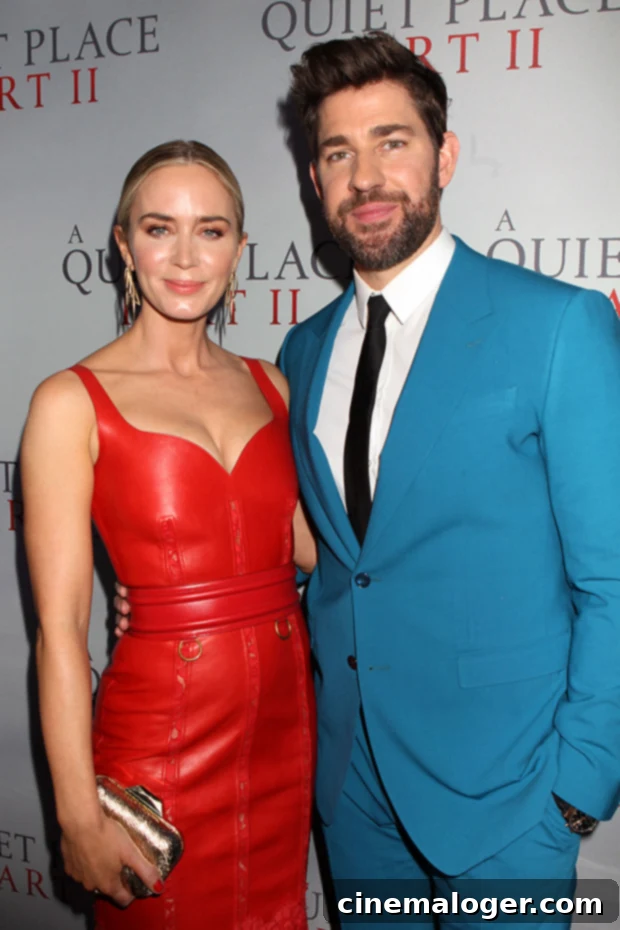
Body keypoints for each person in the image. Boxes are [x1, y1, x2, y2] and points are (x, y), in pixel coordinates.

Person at [113, 35, 620, 927]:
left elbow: (612, 578)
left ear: (444, 156)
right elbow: (320, 551)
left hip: (508, 804)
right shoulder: (299, 355)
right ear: (314, 180)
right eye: (339, 152)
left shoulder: (557, 326)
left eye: (393, 142)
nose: (367, 176)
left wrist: (581, 781)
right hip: (352, 798)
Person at [21, 140, 316, 930]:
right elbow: (56, 636)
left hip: (284, 735)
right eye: (159, 228)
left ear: (240, 249)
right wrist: (77, 816)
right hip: (159, 745)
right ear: (123, 244)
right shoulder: (70, 402)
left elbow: (315, 553)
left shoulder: (271, 383)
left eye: (212, 231)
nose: (186, 256)